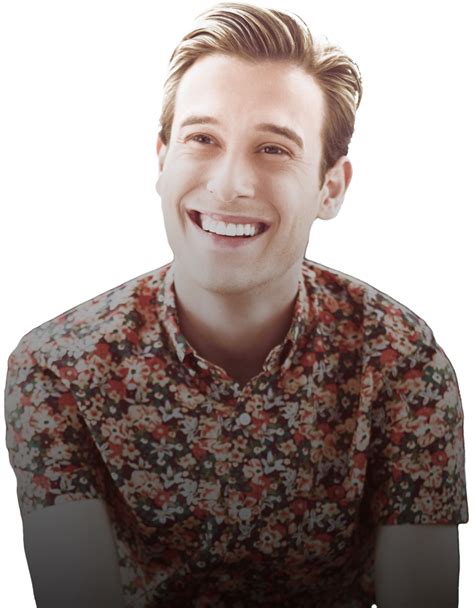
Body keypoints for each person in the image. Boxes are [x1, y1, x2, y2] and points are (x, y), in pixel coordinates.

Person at [4, 2, 468, 607]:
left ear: (330, 187)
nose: (228, 184)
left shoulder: (402, 362)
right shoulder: (56, 369)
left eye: (273, 148)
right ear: (162, 160)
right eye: (202, 138)